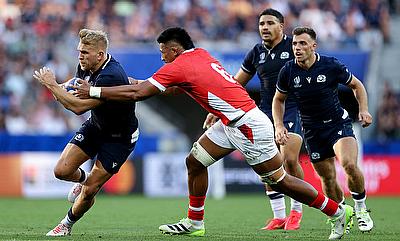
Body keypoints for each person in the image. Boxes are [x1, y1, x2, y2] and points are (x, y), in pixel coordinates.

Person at [75, 27, 353, 240]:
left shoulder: (179, 65)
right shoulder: (200, 55)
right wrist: (137, 82)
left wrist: (95, 91)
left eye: (163, 52)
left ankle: (338, 212)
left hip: (247, 125)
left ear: (173, 50)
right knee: (194, 162)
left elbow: (140, 93)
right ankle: (195, 222)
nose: (162, 57)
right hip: (231, 121)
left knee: (279, 181)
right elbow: (165, 86)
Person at [203, 8, 304, 231]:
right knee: (264, 161)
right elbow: (236, 83)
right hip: (263, 114)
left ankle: (296, 211)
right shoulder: (256, 52)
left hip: (292, 110)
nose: (265, 28)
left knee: (289, 159)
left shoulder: (294, 47)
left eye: (270, 23)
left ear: (281, 25)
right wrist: (217, 109)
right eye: (261, 24)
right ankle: (279, 216)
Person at [33, 29, 139, 236]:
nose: (80, 56)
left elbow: (78, 107)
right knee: (61, 171)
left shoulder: (111, 76)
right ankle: (83, 180)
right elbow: (74, 87)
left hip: (119, 138)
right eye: (79, 51)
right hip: (96, 126)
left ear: (100, 55)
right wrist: (61, 88)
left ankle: (66, 224)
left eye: (85, 53)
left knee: (91, 190)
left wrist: (52, 85)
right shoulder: (86, 64)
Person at [272, 26, 374, 233]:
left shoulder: (330, 65)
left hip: (338, 124)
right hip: (312, 130)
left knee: (348, 165)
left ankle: (361, 209)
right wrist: (279, 125)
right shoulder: (288, 71)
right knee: (327, 179)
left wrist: (363, 110)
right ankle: (341, 213)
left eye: (302, 43)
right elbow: (278, 99)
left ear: (313, 46)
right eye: (294, 44)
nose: (297, 47)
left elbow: (357, 86)